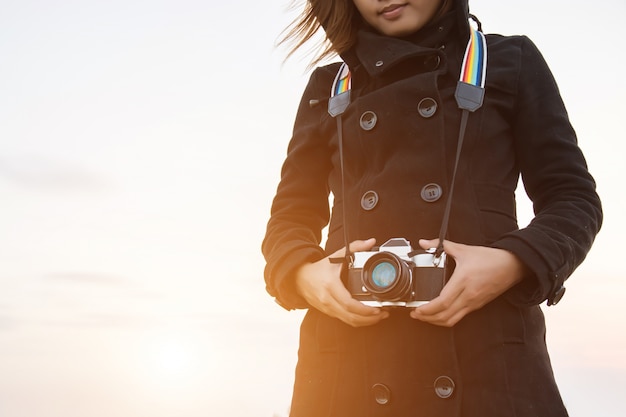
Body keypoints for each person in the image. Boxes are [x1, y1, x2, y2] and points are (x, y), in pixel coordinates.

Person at [262, 0, 603, 416]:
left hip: (487, 362)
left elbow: (572, 197)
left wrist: (510, 264)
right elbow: (291, 215)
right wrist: (303, 274)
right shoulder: (327, 87)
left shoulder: (509, 62)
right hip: (345, 367)